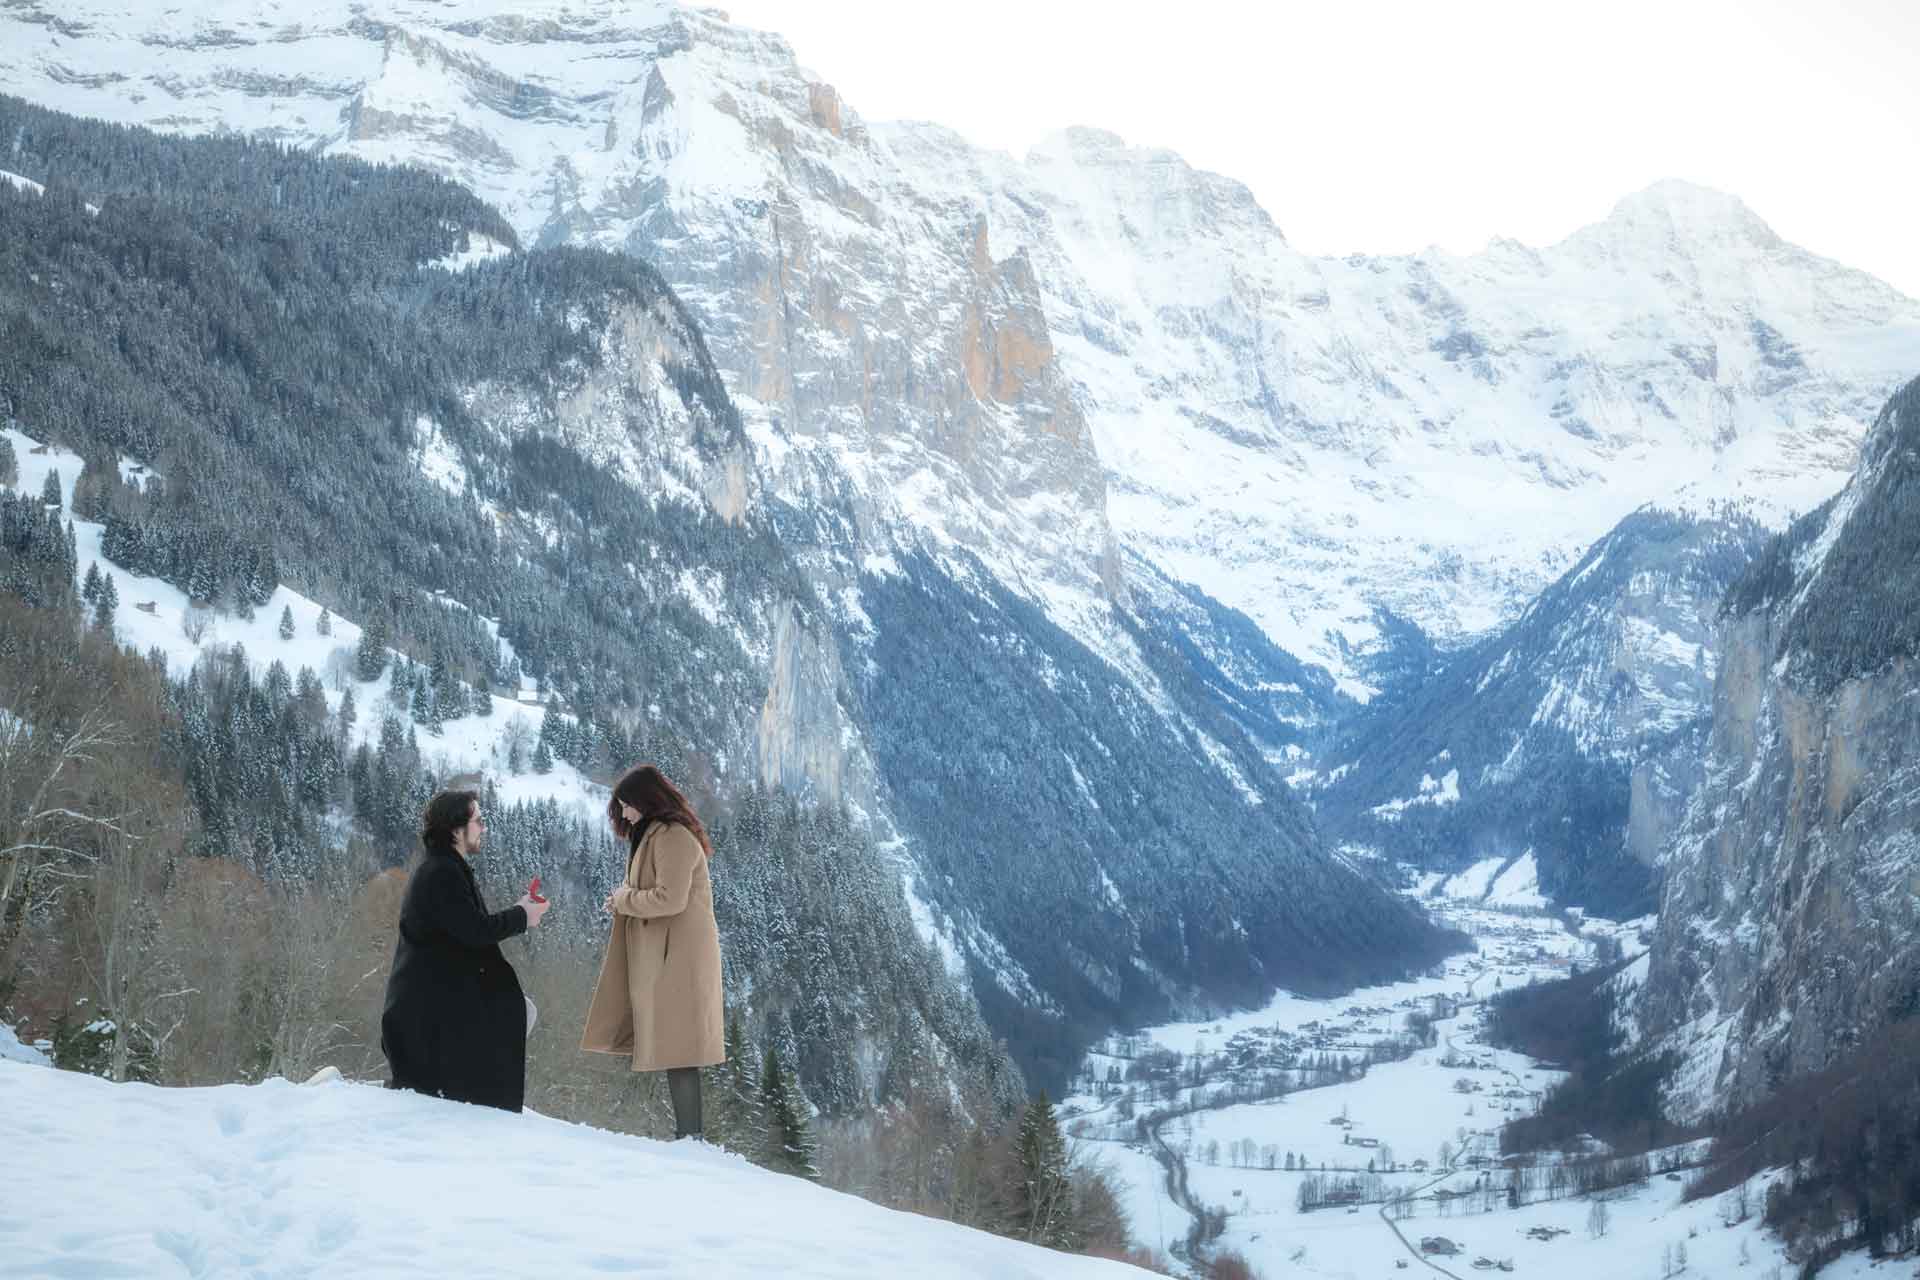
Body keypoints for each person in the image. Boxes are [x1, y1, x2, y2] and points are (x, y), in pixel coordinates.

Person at [381, 789, 551, 1112]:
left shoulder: (443, 868)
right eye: (478, 821)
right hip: (426, 1017)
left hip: (432, 1005)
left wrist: (520, 911)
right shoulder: (441, 873)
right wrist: (523, 916)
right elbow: (476, 932)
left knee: (516, 1009)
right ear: (456, 829)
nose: (484, 828)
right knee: (512, 1012)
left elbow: (470, 929)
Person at [580, 765, 724, 1139]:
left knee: (680, 1050)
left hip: (677, 959)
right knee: (673, 1048)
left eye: (627, 805)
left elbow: (669, 898)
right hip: (666, 954)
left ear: (646, 801)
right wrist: (622, 898)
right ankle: (688, 1137)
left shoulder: (672, 837)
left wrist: (624, 899)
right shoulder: (657, 836)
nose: (624, 813)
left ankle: (691, 1139)